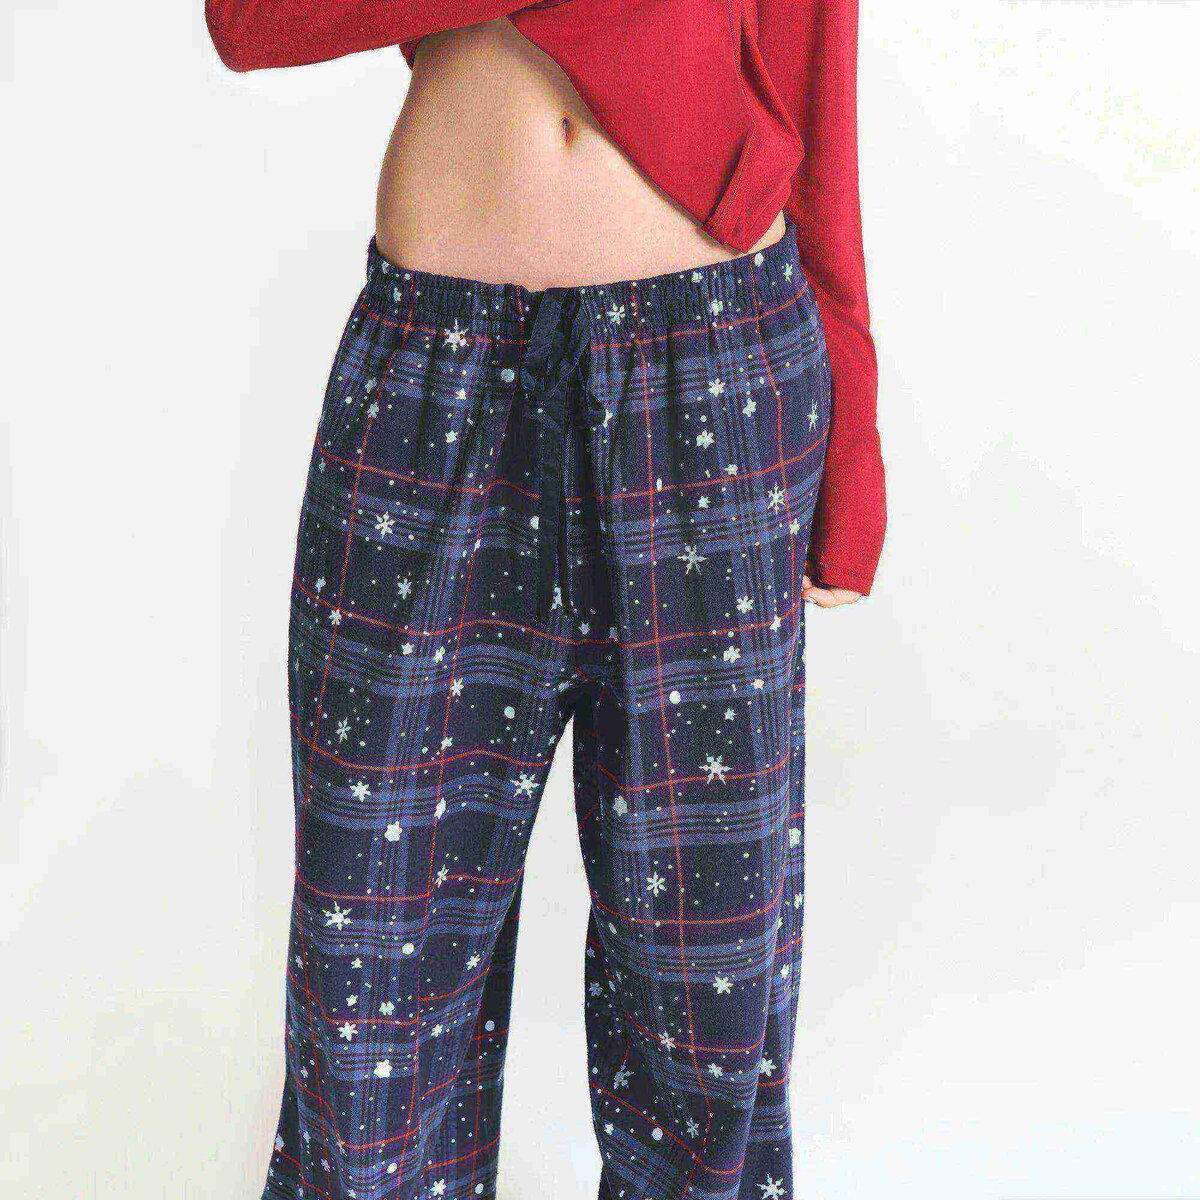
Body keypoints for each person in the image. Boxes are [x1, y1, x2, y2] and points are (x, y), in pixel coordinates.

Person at [206, 3, 886, 1198]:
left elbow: (810, 71)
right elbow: (253, 19)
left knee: (709, 984)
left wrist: (855, 443)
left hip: (715, 367)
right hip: (437, 368)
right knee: (370, 970)